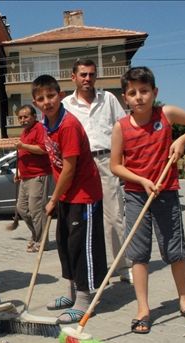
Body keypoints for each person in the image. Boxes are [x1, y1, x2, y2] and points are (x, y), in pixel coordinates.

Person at [110, 66, 185, 334]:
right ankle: (143, 308)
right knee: (139, 255)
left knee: (174, 250)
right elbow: (115, 165)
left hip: (166, 193)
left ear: (155, 92)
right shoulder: (121, 127)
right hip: (135, 195)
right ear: (125, 98)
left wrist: (182, 141)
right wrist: (140, 180)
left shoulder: (166, 115)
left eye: (144, 91)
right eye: (133, 93)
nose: (139, 97)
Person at [32, 74, 107, 324]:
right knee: (63, 243)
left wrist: (53, 198)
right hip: (66, 194)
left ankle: (85, 300)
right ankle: (72, 293)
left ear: (60, 96)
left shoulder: (68, 125)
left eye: (51, 96)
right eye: (41, 98)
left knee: (80, 246)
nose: (47, 102)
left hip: (83, 194)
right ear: (35, 102)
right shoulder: (45, 123)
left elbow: (69, 168)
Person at [62, 59, 132, 286]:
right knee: (84, 221)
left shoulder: (109, 99)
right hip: (80, 167)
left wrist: (124, 159)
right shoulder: (65, 104)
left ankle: (123, 267)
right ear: (73, 77)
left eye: (91, 74)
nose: (87, 79)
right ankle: (91, 270)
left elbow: (124, 128)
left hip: (106, 160)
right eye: (83, 74)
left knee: (114, 217)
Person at [14, 104, 51, 253]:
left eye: (26, 116)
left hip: (38, 175)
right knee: (22, 209)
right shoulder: (25, 132)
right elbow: (23, 154)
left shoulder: (39, 128)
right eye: (20, 117)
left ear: (34, 117)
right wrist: (17, 171)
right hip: (25, 177)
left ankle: (42, 242)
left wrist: (23, 145)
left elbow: (43, 149)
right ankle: (36, 235)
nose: (23, 120)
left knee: (36, 210)